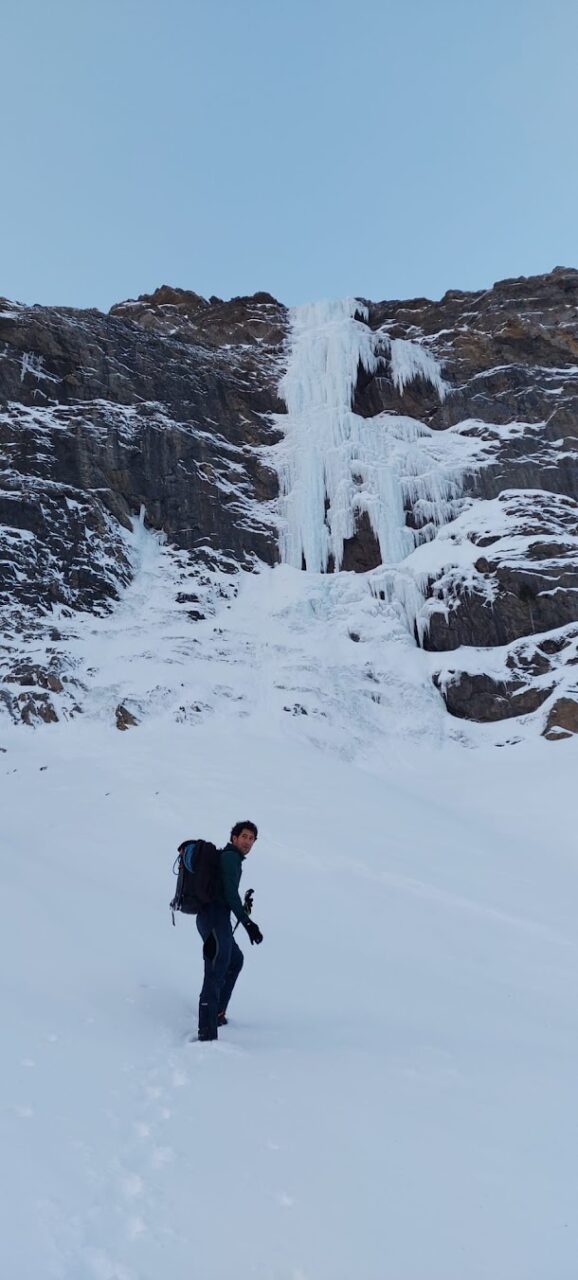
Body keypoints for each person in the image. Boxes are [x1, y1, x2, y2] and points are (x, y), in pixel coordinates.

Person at [196, 820, 263, 1041]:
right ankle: (207, 1032)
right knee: (216, 970)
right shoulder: (231, 858)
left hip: (215, 918)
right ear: (234, 838)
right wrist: (248, 923)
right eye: (244, 836)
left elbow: (227, 894)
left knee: (235, 960)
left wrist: (241, 910)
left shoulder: (229, 859)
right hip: (214, 918)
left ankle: (217, 1013)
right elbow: (231, 894)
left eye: (251, 838)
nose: (248, 841)